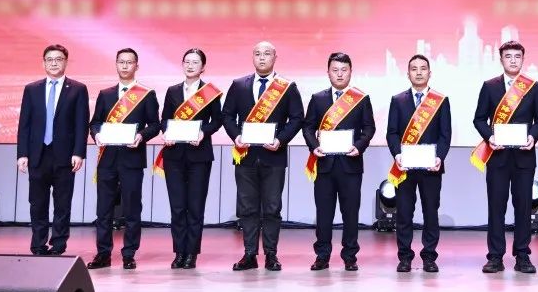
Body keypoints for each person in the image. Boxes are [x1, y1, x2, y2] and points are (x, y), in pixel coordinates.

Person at [222, 41, 304, 271]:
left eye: (267, 54)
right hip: (245, 155)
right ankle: (249, 254)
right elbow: (227, 115)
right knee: (247, 207)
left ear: (275, 57)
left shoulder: (287, 87)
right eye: (257, 53)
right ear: (252, 57)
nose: (262, 57)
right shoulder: (238, 85)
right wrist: (236, 136)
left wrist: (281, 140)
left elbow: (297, 118)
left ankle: (271, 254)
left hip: (274, 156)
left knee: (272, 208)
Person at [472, 40, 538, 274]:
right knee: (496, 207)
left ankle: (522, 255)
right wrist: (490, 137)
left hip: (524, 157)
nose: (513, 60)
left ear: (523, 59)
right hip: (498, 157)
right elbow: (479, 119)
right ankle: (495, 256)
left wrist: (532, 136)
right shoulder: (489, 86)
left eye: (517, 56)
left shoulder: (533, 87)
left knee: (523, 207)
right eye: (508, 56)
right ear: (501, 59)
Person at [87, 48, 160, 270]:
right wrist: (97, 135)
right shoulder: (105, 94)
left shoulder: (146, 94)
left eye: (129, 62)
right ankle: (103, 254)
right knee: (103, 209)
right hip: (107, 159)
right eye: (121, 62)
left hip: (132, 158)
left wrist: (141, 136)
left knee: (132, 208)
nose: (125, 66)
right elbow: (95, 123)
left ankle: (129, 253)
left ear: (137, 65)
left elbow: (155, 125)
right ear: (116, 64)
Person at [303, 52, 376, 271]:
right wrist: (314, 146)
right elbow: (308, 127)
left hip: (350, 165)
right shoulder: (318, 98)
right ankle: (322, 256)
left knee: (350, 213)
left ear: (351, 72)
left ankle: (350, 256)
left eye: (344, 70)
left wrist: (359, 146)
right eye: (335, 70)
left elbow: (369, 128)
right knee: (324, 214)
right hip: (324, 165)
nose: (340, 74)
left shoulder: (361, 99)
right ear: (328, 73)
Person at [16, 44, 89, 256]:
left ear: (66, 62)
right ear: (43, 63)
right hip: (37, 155)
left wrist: (79, 152)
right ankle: (38, 244)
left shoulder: (77, 89)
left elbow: (81, 124)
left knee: (62, 203)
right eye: (50, 59)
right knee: (37, 203)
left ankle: (58, 244)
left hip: (65, 156)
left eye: (58, 59)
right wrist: (22, 154)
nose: (54, 63)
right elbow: (24, 125)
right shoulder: (32, 89)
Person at [385, 55, 452, 273]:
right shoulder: (398, 100)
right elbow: (392, 133)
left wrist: (439, 157)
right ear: (408, 74)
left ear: (430, 73)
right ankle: (405, 257)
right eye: (414, 69)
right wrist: (397, 155)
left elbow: (445, 134)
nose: (419, 72)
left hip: (431, 168)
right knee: (404, 214)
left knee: (431, 213)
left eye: (423, 68)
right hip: (404, 167)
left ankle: (429, 257)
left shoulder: (440, 101)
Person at [158, 48, 223, 270]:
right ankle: (179, 252)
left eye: (195, 62)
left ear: (203, 67)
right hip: (174, 155)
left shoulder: (210, 92)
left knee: (195, 206)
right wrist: (167, 132)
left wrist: (203, 133)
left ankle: (192, 253)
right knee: (177, 206)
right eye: (187, 61)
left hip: (199, 155)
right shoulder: (172, 91)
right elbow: (165, 119)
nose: (190, 65)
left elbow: (217, 121)